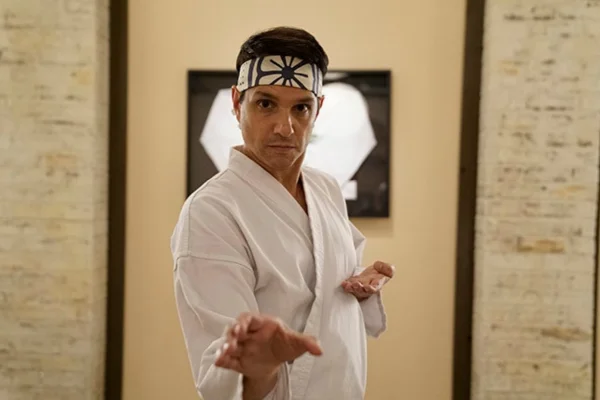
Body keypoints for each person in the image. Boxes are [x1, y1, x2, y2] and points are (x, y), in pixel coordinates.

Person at [171, 26, 395, 400]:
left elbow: (320, 282)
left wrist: (358, 283)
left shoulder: (325, 188)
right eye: (265, 104)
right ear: (237, 102)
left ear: (318, 109)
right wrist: (258, 366)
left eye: (301, 108)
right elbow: (223, 366)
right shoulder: (211, 213)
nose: (284, 127)